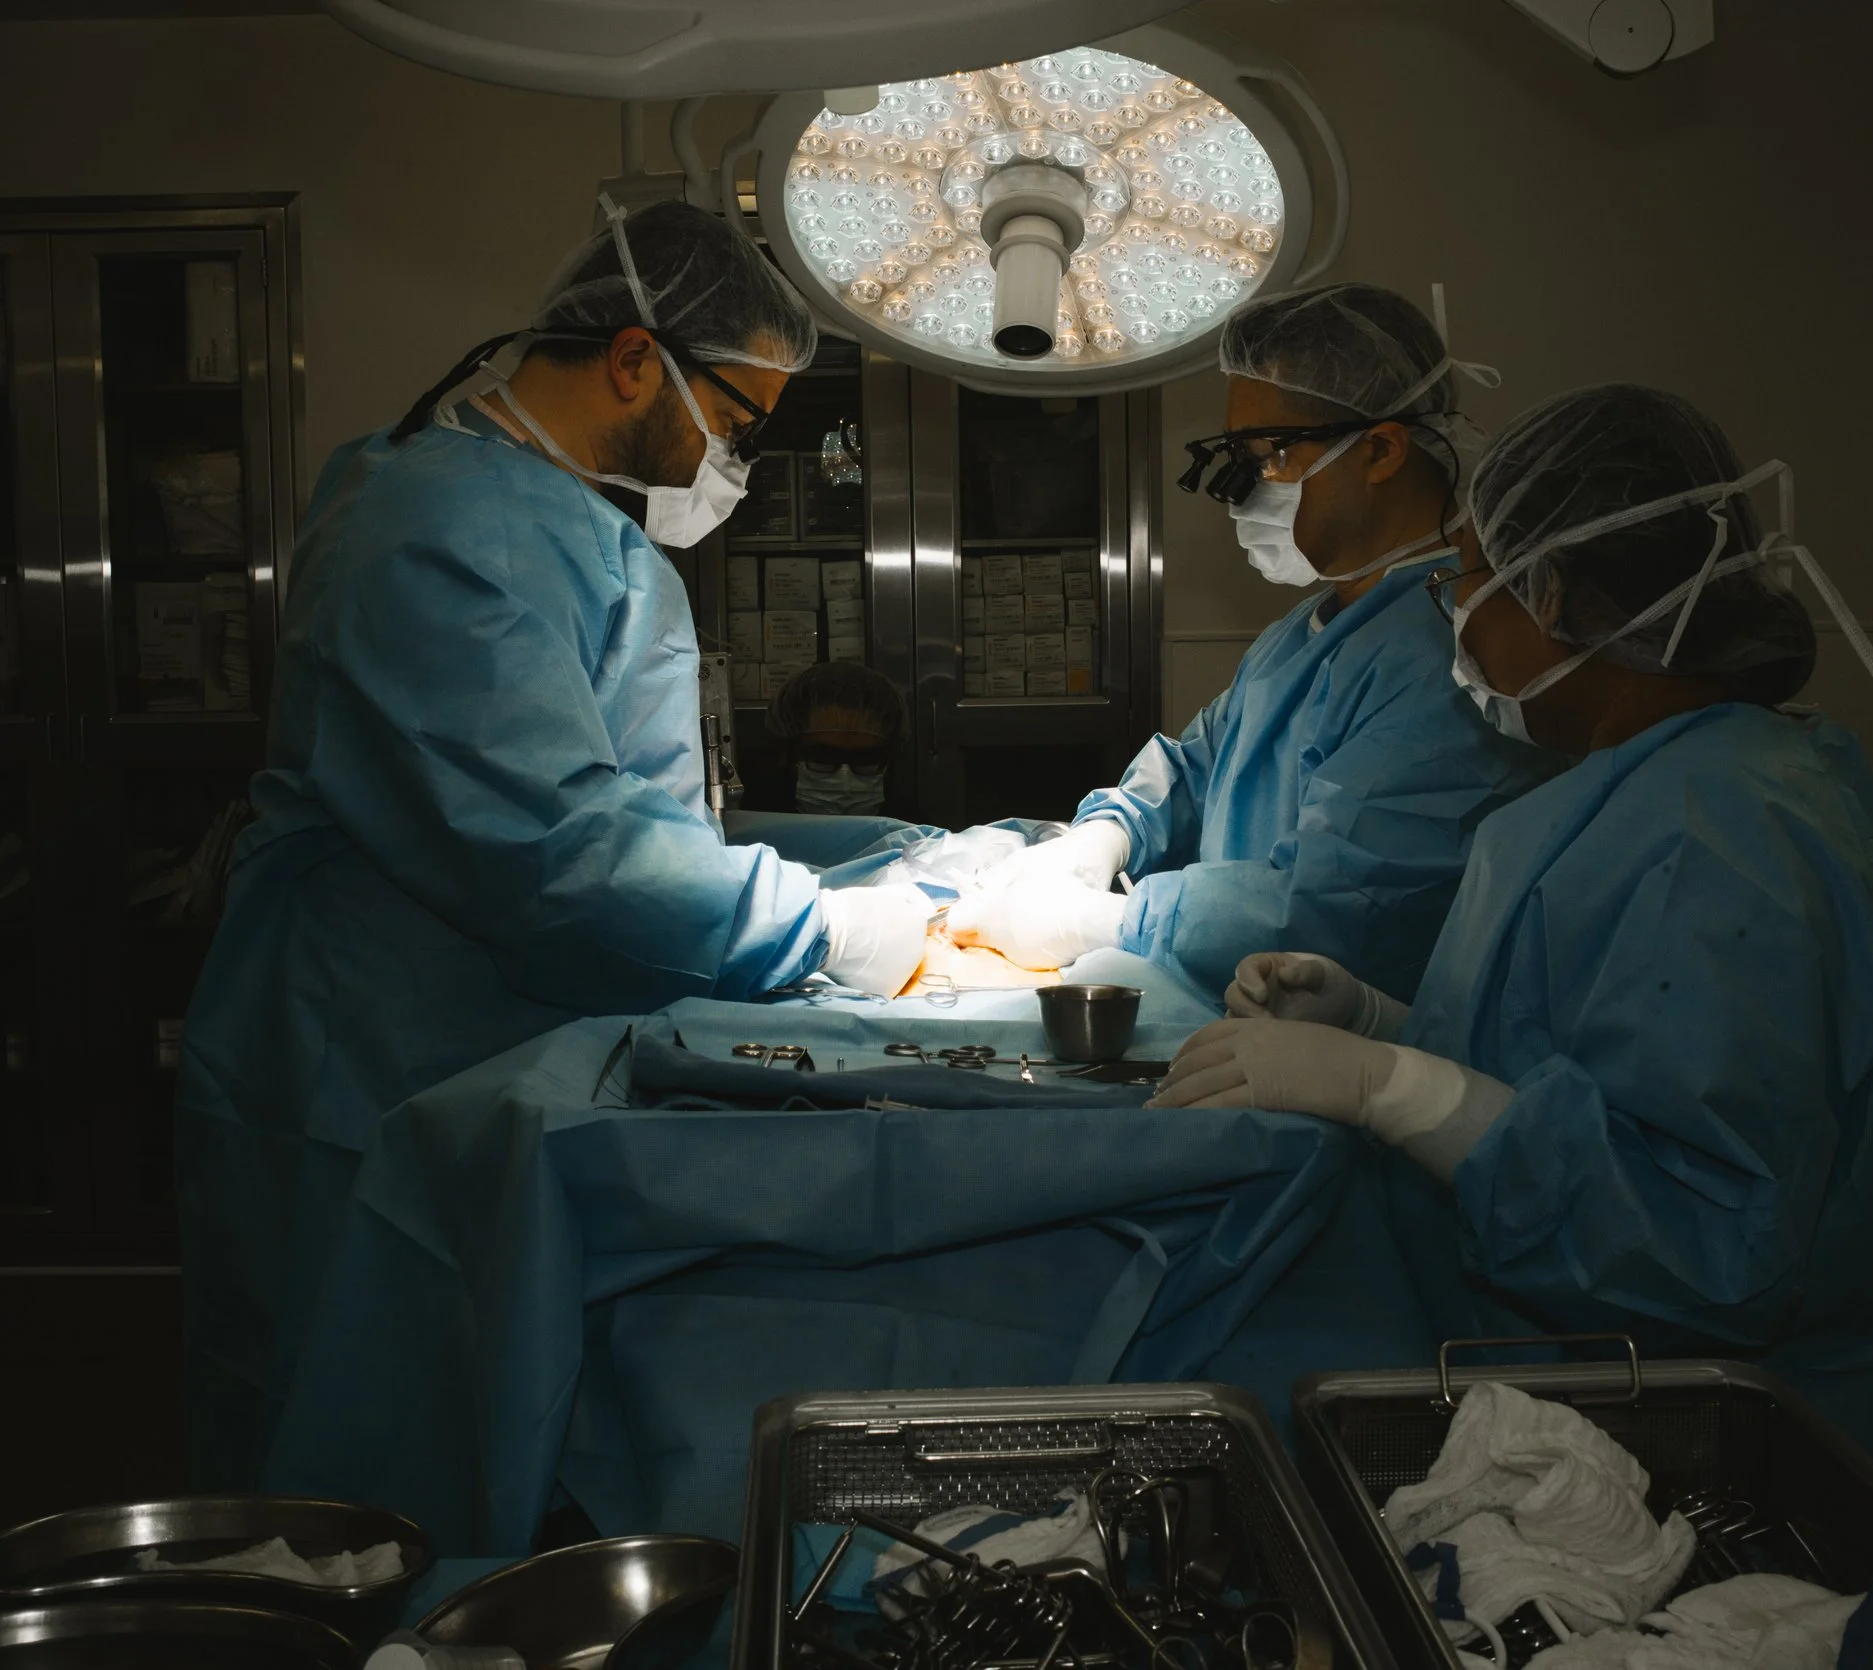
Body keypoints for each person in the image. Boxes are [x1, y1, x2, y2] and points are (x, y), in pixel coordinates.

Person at [174, 201, 931, 1488]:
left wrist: (883, 848)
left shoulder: (553, 522)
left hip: (477, 1041)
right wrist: (822, 924)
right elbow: (550, 842)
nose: (735, 459)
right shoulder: (438, 529)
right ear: (636, 361)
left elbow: (634, 811)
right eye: (736, 421)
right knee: (359, 1450)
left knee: (479, 1402)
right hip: (373, 1061)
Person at [1151, 385, 1873, 1473]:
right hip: (1574, 1391)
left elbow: (1702, 1242)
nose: (1456, 610)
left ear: (1562, 591)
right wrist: (1378, 1016)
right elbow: (1577, 1066)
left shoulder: (1717, 832)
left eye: (1472, 575)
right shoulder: (1652, 785)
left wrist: (1385, 1085)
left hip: (1687, 1455)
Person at [945, 283, 1558, 1003]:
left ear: (1382, 450)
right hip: (1243, 1018)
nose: (1243, 489)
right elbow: (1195, 772)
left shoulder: (1453, 650)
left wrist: (1109, 921)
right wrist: (1103, 837)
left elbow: (1340, 916)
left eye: (1266, 455)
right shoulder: (1296, 640)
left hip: (1339, 1058)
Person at [769, 661, 907, 816]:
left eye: (865, 760)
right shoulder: (753, 833)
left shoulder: (916, 837)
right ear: (789, 757)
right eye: (824, 758)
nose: (844, 780)